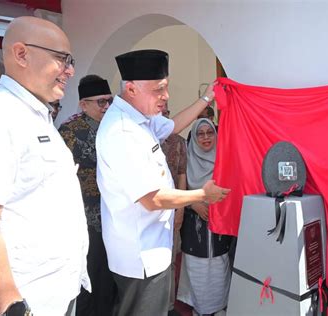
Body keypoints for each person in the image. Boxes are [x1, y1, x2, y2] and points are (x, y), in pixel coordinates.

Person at [96, 49, 230, 316]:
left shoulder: (141, 119)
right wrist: (201, 195)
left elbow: (172, 125)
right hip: (140, 255)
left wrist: (207, 97)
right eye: (159, 89)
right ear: (132, 89)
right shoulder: (123, 132)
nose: (166, 96)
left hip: (153, 246)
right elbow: (152, 199)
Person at [0, 16, 89, 316]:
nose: (69, 70)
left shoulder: (37, 116)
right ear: (21, 54)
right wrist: (10, 306)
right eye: (61, 59)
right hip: (25, 301)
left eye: (71, 61)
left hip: (58, 292)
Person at [58, 75, 116, 316]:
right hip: (85, 218)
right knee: (88, 276)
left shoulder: (116, 127)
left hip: (114, 215)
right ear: (83, 104)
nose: (106, 107)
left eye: (109, 101)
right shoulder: (69, 132)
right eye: (101, 102)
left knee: (110, 277)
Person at [177, 118, 232, 316]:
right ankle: (200, 309)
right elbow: (176, 190)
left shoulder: (223, 159)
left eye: (210, 133)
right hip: (194, 226)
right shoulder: (187, 159)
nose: (206, 137)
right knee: (197, 266)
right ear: (194, 136)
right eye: (201, 133)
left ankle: (218, 307)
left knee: (219, 265)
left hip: (219, 224)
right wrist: (194, 203)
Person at [160, 103, 188, 316]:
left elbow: (181, 175)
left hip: (173, 207)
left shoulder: (178, 142)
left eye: (167, 113)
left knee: (170, 261)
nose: (164, 116)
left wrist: (180, 209)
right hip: (150, 209)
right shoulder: (142, 139)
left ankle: (168, 306)